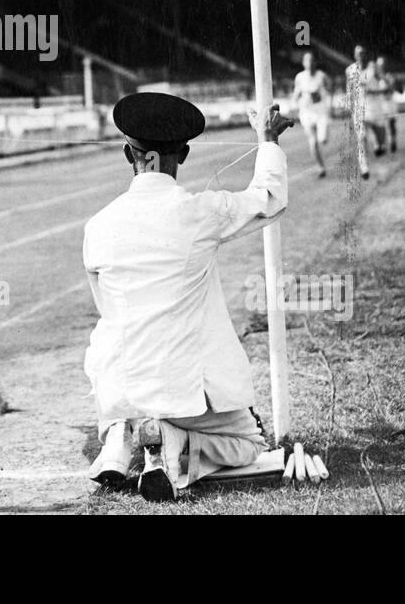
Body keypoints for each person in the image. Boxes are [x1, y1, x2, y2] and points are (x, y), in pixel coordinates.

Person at [83, 91, 292, 501]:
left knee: (126, 377)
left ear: (129, 155)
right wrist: (267, 142)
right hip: (181, 389)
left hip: (119, 386)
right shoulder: (200, 212)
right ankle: (170, 439)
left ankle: (120, 434)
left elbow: (105, 309)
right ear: (184, 155)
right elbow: (269, 200)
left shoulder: (97, 225)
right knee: (252, 444)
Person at [292, 50, 331, 177]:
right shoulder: (299, 77)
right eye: (307, 60)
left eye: (312, 60)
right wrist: (296, 100)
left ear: (315, 62)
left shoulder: (321, 76)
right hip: (306, 112)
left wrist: (324, 97)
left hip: (320, 111)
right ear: (303, 63)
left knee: (322, 139)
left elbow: (330, 88)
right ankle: (321, 167)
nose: (310, 63)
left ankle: (324, 135)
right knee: (313, 141)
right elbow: (296, 94)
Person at [344, 45, 374, 179]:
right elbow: (349, 89)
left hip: (373, 107)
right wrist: (349, 106)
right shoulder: (350, 70)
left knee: (373, 136)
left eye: (362, 53)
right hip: (358, 108)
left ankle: (378, 145)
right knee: (361, 137)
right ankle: (364, 167)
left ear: (365, 54)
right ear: (354, 55)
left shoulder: (372, 69)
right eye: (358, 53)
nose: (360, 55)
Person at [370, 55, 398, 153]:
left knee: (391, 125)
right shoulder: (373, 77)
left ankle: (393, 141)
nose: (380, 66)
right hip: (379, 105)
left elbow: (392, 89)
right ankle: (380, 145)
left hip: (389, 104)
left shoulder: (389, 76)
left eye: (382, 64)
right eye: (379, 65)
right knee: (378, 126)